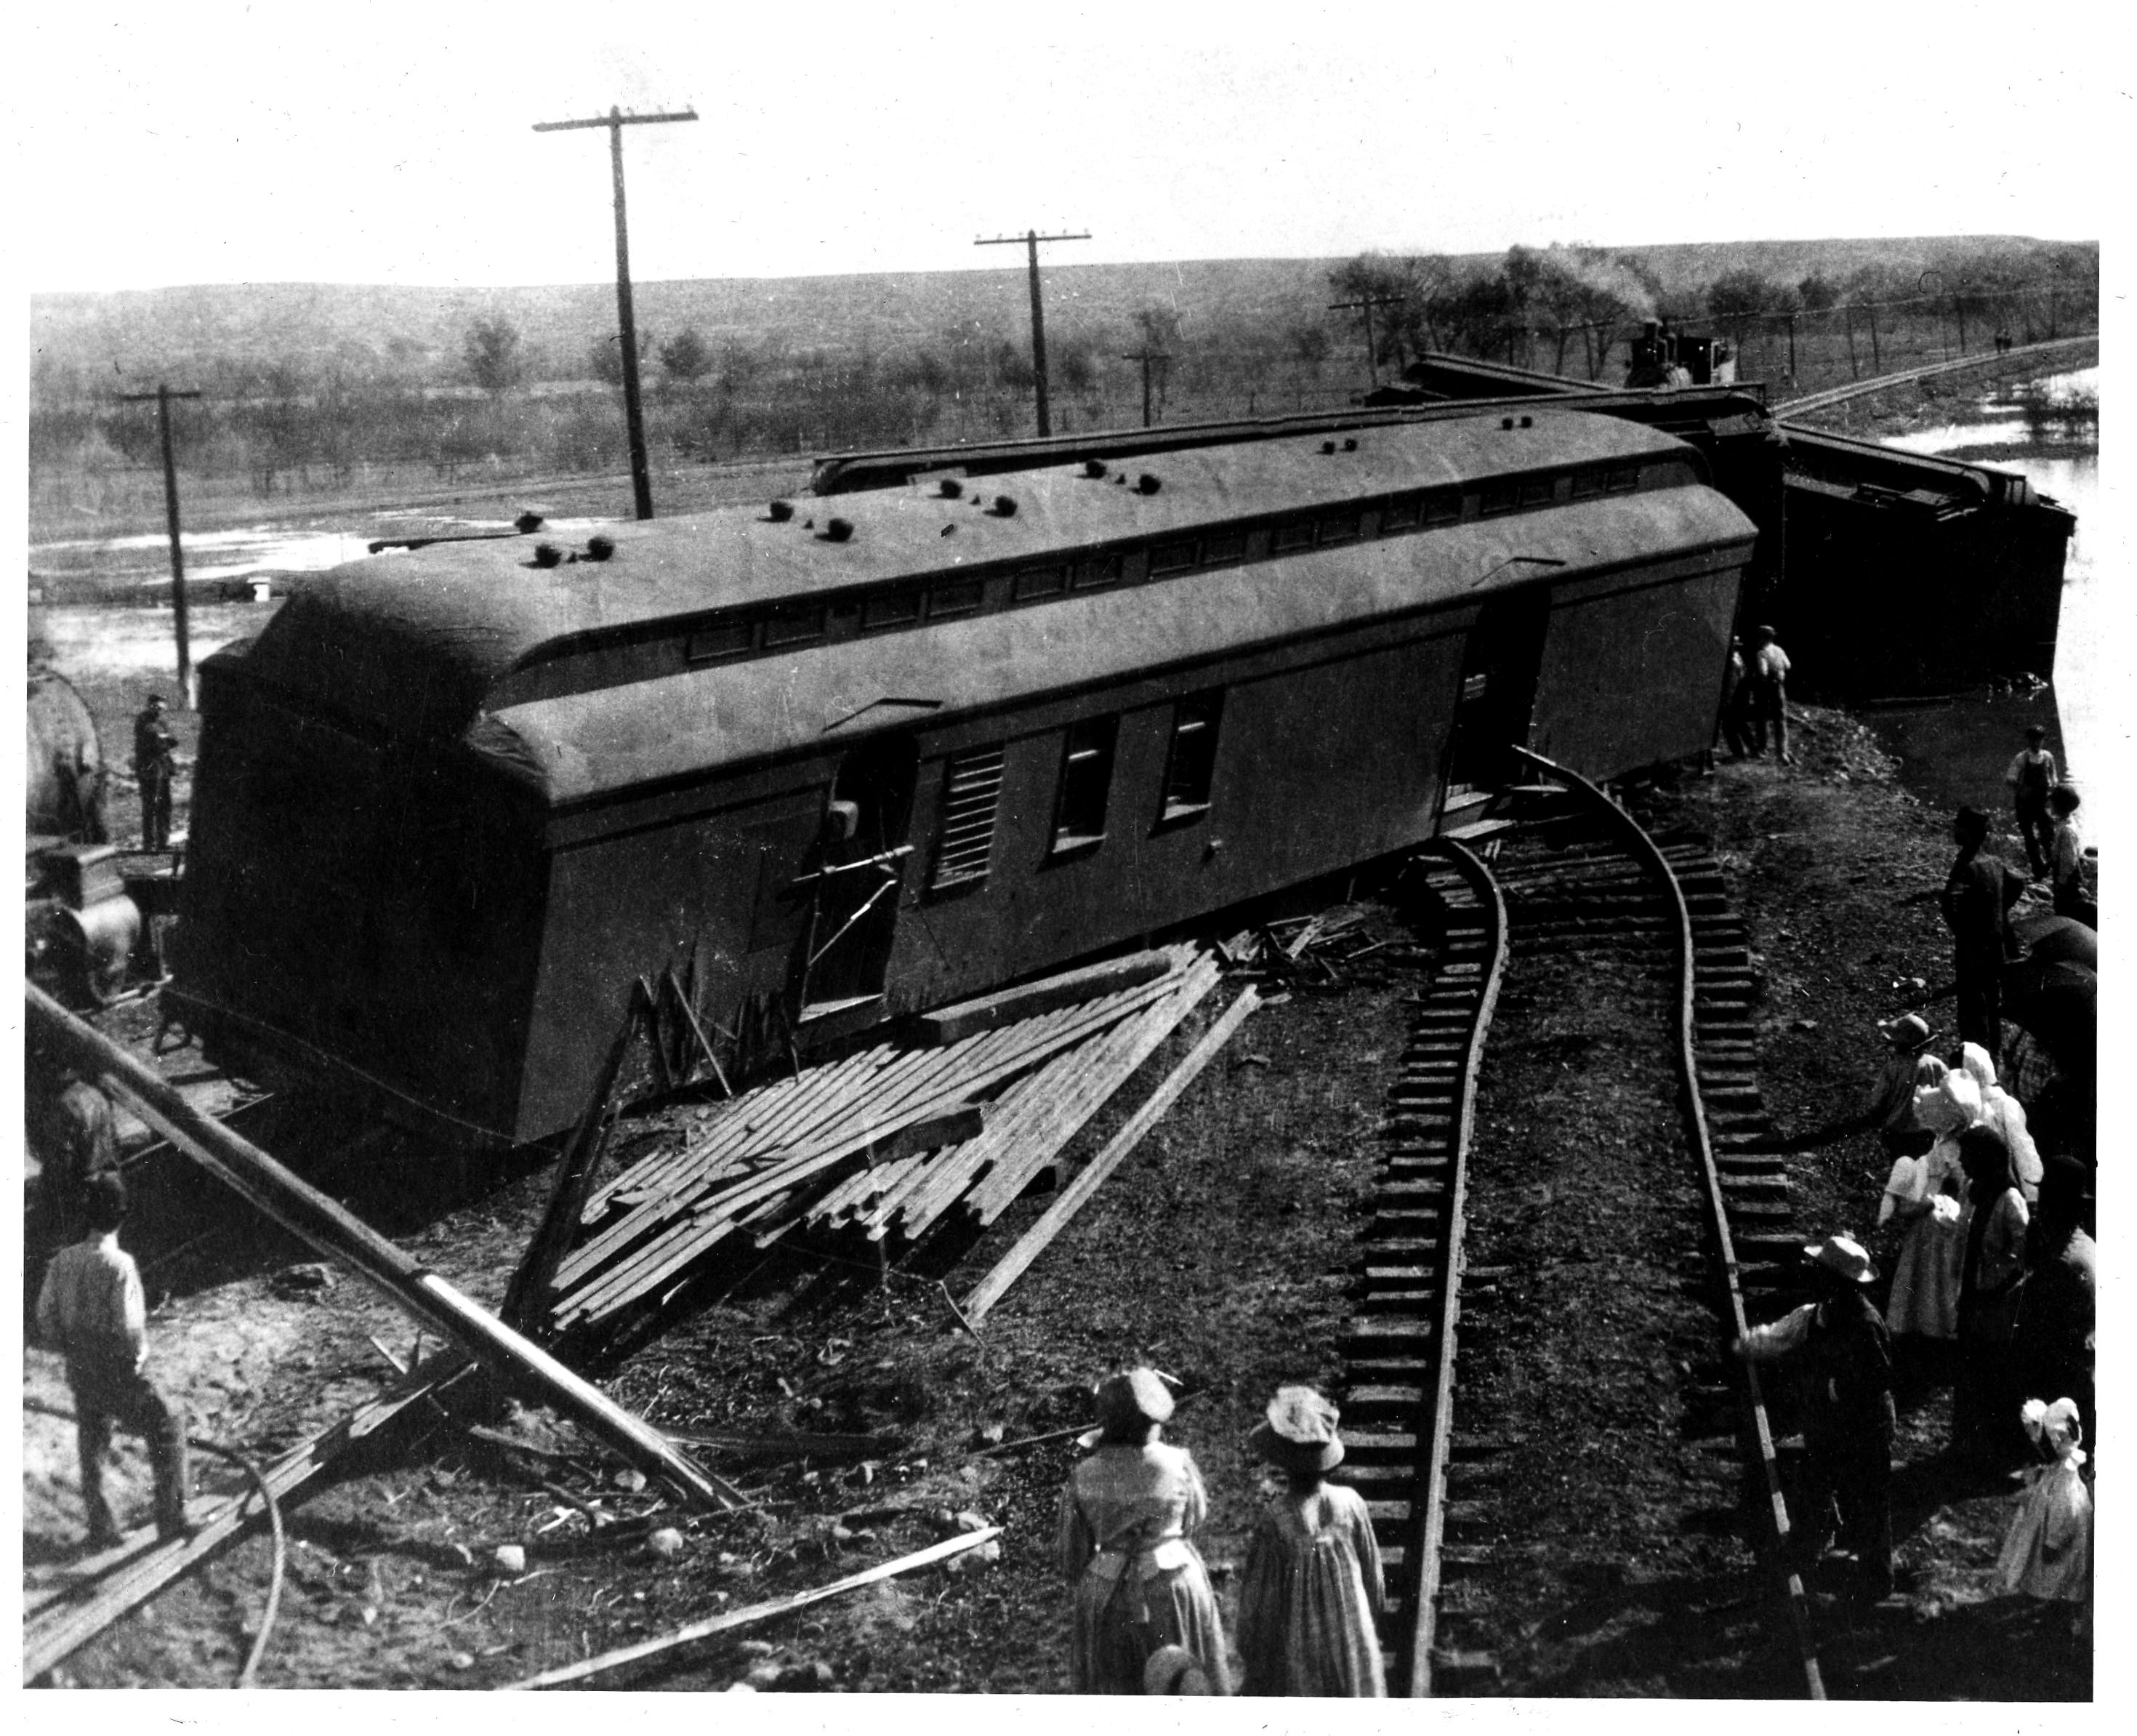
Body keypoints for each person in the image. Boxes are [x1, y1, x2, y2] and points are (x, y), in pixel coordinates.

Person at [1734, 1234, 1896, 1598]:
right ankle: (1803, 1557)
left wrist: (1830, 1390)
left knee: (1868, 1504)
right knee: (1814, 1488)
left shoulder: (1865, 1324)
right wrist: (1749, 1345)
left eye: (1820, 1270)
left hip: (1866, 1428)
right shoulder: (1818, 1314)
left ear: (1840, 1281)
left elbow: (1878, 1379)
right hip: (1830, 1425)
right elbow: (1781, 1335)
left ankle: (1876, 1583)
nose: (1812, 1274)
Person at [34, 1173, 190, 1548]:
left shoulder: (63, 1262)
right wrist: (134, 1366)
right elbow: (131, 1330)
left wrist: (69, 1348)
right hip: (116, 1372)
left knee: (93, 1442)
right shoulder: (120, 1265)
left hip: (80, 1369)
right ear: (123, 1217)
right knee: (169, 1426)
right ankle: (172, 1520)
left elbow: (45, 1317)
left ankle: (102, 1528)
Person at [1058, 1368, 1228, 1694]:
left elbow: (1073, 1554)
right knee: (1180, 1680)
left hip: (1106, 1590)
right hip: (1172, 1581)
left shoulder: (1084, 1473)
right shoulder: (1177, 1463)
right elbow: (1195, 1518)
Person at [1236, 1386, 1387, 1697]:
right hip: (1349, 1637)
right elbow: (1374, 1582)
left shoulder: (1276, 1520)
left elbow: (1260, 1605)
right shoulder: (1351, 1504)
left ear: (1283, 1461)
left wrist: (1256, 1654)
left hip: (1299, 1648)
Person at [1880, 1064, 1976, 1383]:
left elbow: (1926, 1197)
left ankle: (1926, 1337)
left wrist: (1913, 1205)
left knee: (1927, 1282)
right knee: (1944, 1284)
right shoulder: (1962, 1147)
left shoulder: (1940, 1156)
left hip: (1934, 1228)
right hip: (1955, 1225)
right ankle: (1940, 1334)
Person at [1952, 1126, 2030, 1470]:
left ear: (1986, 1160)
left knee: (1991, 1376)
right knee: (1968, 1371)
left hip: (1997, 1305)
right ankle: (1966, 1446)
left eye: (1969, 1158)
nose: (1964, 1165)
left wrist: (1999, 1289)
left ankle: (1991, 1455)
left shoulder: (2009, 1200)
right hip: (1973, 1297)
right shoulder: (1974, 1189)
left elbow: (2023, 1253)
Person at [2011, 1154, 2095, 1455]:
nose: (2040, 1207)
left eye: (2046, 1199)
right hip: (2082, 1367)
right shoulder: (2084, 1244)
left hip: (2064, 1381)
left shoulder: (2062, 1264)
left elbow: (2036, 1331)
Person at [1994, 1398, 2090, 1635]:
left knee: (2065, 1576)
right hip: (2058, 1534)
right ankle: (2059, 1610)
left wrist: (2054, 1541)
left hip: (2063, 1539)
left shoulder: (2066, 1478)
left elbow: (2067, 1511)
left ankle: (2068, 1620)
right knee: (2059, 1578)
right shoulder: (2059, 1470)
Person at [1941, 808, 2026, 1053]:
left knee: (1970, 1006)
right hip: (1995, 944)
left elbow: (1948, 903)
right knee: (1992, 1004)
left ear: (1967, 832)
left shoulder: (1965, 864)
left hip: (1973, 947)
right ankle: (1993, 1061)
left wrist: (1962, 931)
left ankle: (1974, 1061)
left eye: (1958, 826)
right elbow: (2018, 883)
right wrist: (1999, 912)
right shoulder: (1994, 861)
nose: (1954, 830)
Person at [1960, 1040, 2041, 1204]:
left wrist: (2032, 1195)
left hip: (1999, 1186)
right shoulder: (1959, 1104)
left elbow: (2023, 1150)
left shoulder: (2004, 1105)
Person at [2004, 724, 2058, 879]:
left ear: (2043, 740)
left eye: (2039, 740)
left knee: (2048, 834)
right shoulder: (2021, 758)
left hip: (2042, 802)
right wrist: (2021, 788)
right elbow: (2010, 779)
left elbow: (2054, 777)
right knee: (2030, 837)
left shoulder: (2047, 757)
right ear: (2028, 740)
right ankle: (2038, 870)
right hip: (2025, 804)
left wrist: (2052, 788)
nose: (2036, 743)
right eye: (2033, 740)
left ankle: (2053, 867)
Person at [132, 692, 180, 851]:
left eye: (162, 708)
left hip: (163, 768)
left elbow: (174, 740)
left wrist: (165, 741)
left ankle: (163, 841)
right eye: (157, 707)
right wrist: (166, 743)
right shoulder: (143, 721)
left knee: (165, 805)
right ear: (150, 706)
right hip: (149, 769)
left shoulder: (160, 722)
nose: (160, 711)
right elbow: (155, 745)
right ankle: (148, 843)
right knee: (150, 806)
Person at [1744, 624, 1793, 764]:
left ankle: (1762, 749)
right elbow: (1788, 665)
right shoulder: (1779, 650)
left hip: (1765, 688)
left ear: (1762, 638)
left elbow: (1763, 672)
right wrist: (1779, 671)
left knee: (1762, 717)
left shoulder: (1762, 653)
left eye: (1759, 637)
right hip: (1779, 686)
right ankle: (1782, 752)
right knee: (1780, 719)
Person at [2046, 785, 2093, 926]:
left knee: (2066, 911)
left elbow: (2069, 859)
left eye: (2052, 802)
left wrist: (2061, 881)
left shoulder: (2066, 830)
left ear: (2059, 805)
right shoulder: (2065, 824)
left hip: (2068, 880)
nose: (2050, 805)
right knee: (2066, 910)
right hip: (2067, 877)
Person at [1716, 637, 1751, 760]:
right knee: (1740, 724)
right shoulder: (1738, 657)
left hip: (1735, 697)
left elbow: (1732, 683)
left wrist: (1727, 700)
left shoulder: (1732, 661)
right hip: (1742, 696)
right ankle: (1753, 749)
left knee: (1728, 727)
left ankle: (1738, 753)